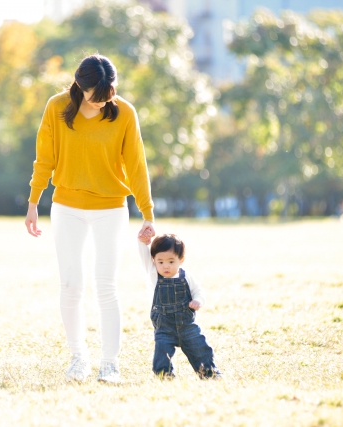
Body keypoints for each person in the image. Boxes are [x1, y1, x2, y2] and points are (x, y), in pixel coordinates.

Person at [24, 54, 155, 383]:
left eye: (109, 94)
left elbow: (137, 165)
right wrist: (33, 202)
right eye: (97, 96)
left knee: (106, 285)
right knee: (70, 285)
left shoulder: (124, 112)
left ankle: (109, 363)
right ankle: (78, 358)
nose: (103, 102)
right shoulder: (56, 108)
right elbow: (44, 158)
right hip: (67, 206)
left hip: (111, 208)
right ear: (80, 87)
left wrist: (147, 213)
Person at [138, 232, 220, 379]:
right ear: (154, 261)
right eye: (160, 262)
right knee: (162, 352)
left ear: (180, 260)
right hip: (164, 327)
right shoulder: (153, 275)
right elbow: (144, 257)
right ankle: (165, 375)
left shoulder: (186, 276)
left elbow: (198, 291)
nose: (165, 266)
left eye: (171, 261)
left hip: (187, 326)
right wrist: (143, 243)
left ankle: (209, 373)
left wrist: (198, 300)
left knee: (200, 348)